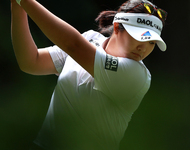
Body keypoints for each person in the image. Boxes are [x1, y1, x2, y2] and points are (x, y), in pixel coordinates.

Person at [11, 0, 167, 149]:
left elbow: (73, 45)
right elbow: (31, 61)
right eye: (139, 37)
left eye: (151, 42)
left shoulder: (136, 75)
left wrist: (24, 1)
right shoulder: (90, 39)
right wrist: (17, 6)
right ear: (118, 25)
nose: (143, 48)